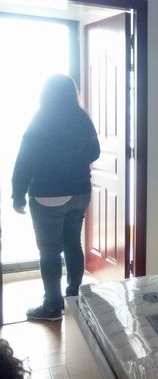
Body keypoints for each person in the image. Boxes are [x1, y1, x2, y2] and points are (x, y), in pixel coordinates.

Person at [11, 74, 100, 321]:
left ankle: (52, 306)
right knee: (73, 244)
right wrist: (74, 161)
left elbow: (24, 159)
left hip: (48, 195)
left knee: (49, 252)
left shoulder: (42, 118)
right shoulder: (82, 118)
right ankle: (74, 297)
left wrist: (17, 196)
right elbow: (95, 151)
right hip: (79, 192)